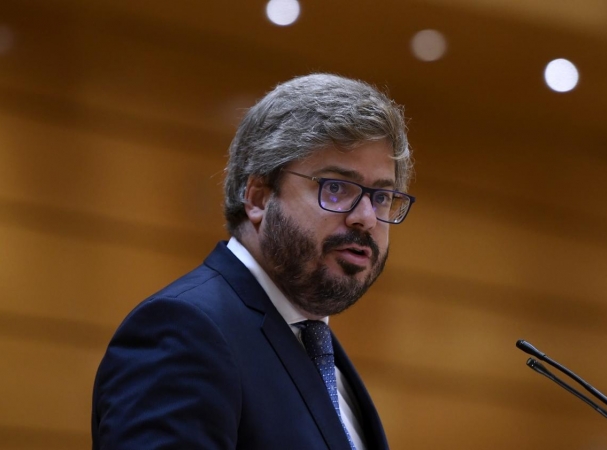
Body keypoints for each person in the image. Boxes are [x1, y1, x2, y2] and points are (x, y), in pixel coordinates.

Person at [91, 73, 415, 450]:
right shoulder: (183, 332)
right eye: (336, 187)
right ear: (259, 198)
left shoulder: (314, 346)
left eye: (382, 197)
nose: (367, 218)